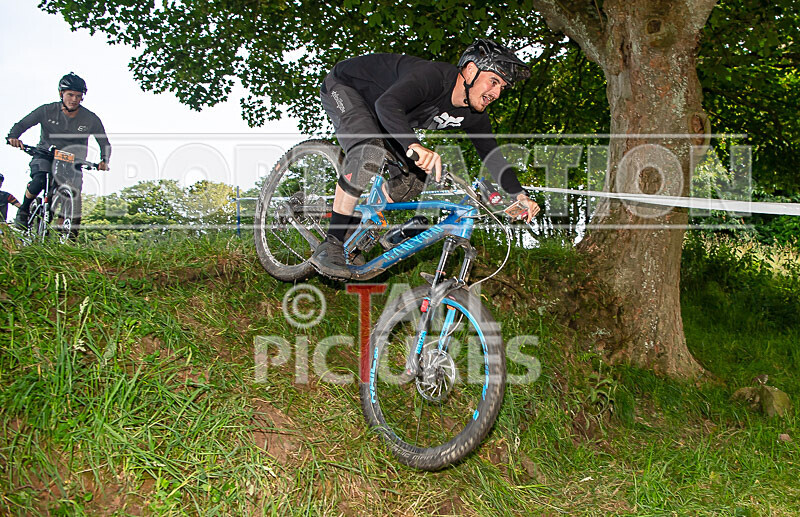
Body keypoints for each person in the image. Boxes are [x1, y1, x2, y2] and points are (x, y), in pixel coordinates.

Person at [310, 39, 541, 280]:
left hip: (383, 115)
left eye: (502, 88)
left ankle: (356, 228)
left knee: (414, 179)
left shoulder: (473, 115)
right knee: (369, 151)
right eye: (494, 82)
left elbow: (492, 155)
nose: (496, 93)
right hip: (347, 88)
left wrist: (520, 195)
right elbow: (388, 104)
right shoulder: (432, 77)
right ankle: (332, 243)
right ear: (471, 70)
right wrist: (414, 145)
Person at [7, 72, 110, 237]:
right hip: (45, 154)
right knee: (40, 180)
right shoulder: (47, 110)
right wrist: (14, 137)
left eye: (78, 96)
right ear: (61, 94)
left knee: (72, 194)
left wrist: (104, 160)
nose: (74, 99)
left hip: (72, 161)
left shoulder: (90, 119)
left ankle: (67, 236)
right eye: (70, 95)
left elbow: (104, 142)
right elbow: (22, 124)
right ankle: (24, 210)